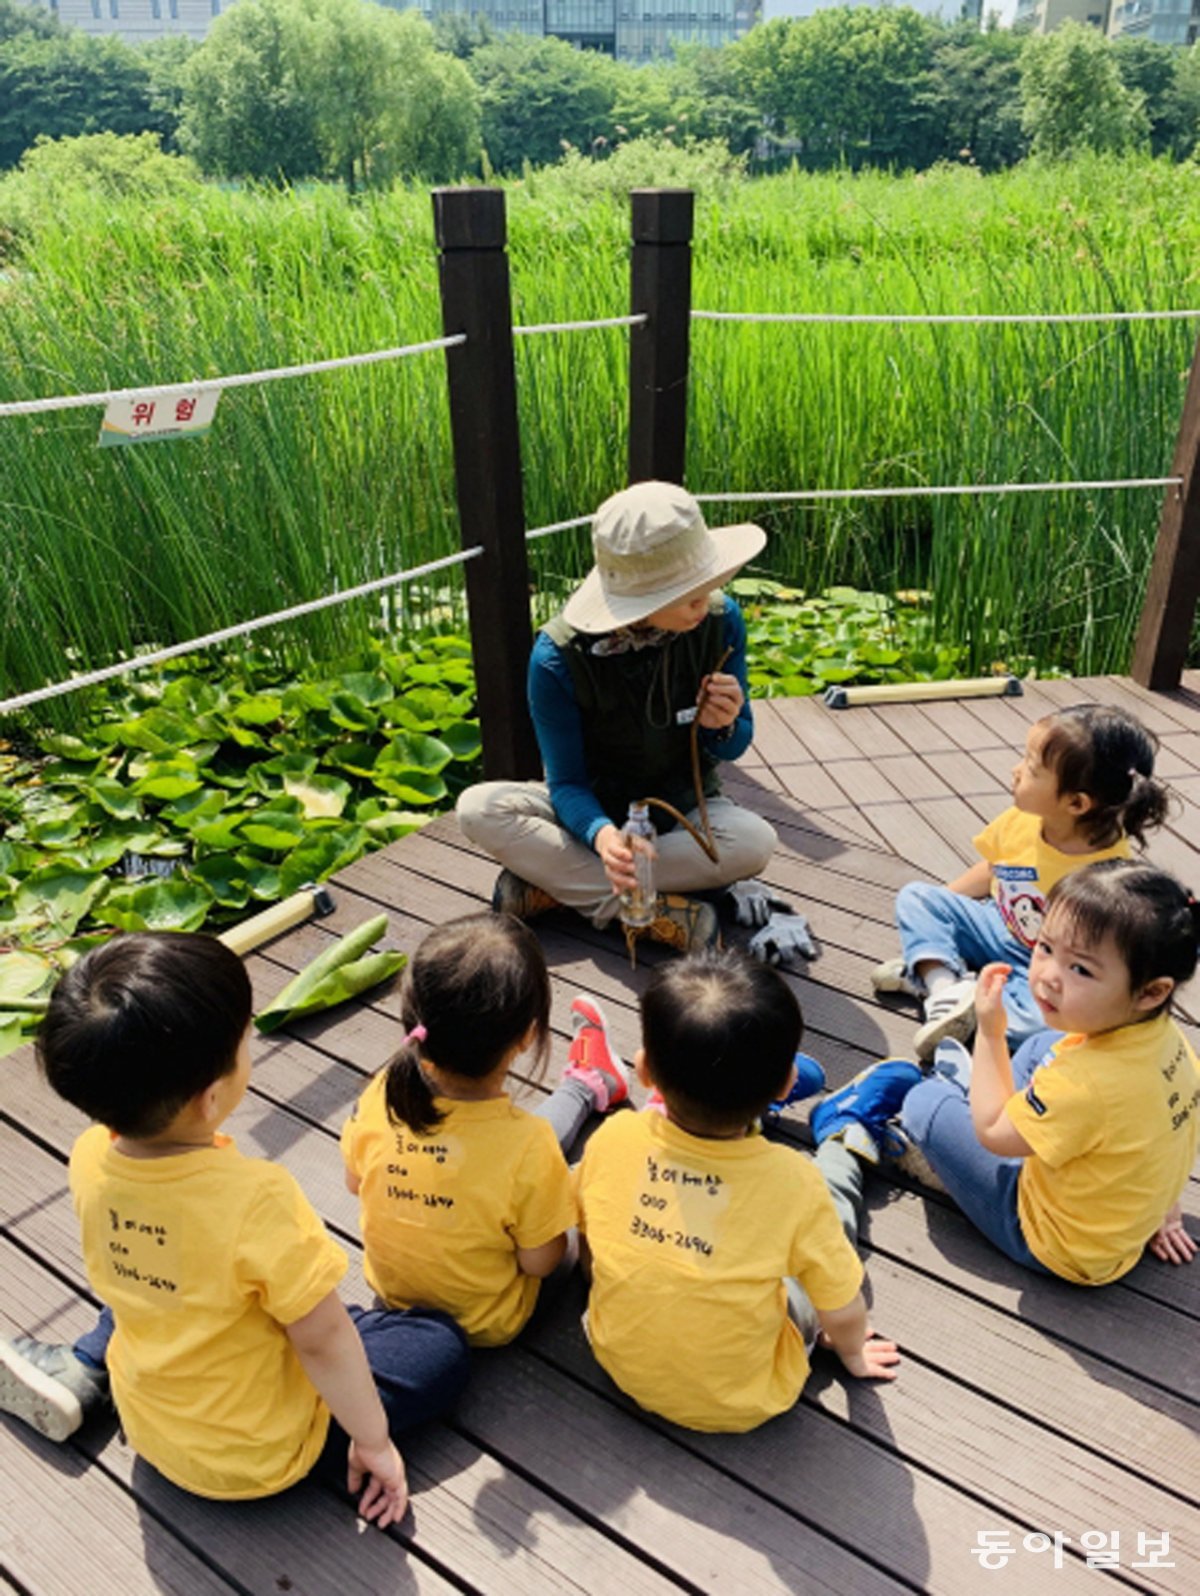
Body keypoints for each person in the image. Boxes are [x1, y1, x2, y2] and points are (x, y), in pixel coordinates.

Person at [0, 934, 469, 1527]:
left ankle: (86, 1365)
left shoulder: (90, 1155)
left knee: (150, 1270)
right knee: (438, 1345)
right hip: (259, 1454)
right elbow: (322, 1341)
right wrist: (373, 1443)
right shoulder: (256, 1200)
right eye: (245, 1039)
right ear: (212, 1096)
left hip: (154, 1426)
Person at [823, 861, 1199, 1286]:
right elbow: (1171, 1132)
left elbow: (993, 1135)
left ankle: (933, 1152)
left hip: (1049, 1239)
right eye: (1045, 947)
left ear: (1152, 991)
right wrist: (1164, 1212)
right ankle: (982, 1093)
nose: (1048, 977)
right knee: (1043, 1045)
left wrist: (990, 1032)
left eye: (1081, 969)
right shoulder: (1176, 1047)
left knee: (922, 1102)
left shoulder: (1084, 1083)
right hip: (1112, 1226)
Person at [573, 949, 899, 1433]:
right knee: (827, 1204)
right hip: (747, 1395)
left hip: (620, 1359)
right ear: (785, 1083)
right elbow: (842, 1302)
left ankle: (710, 1095)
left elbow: (588, 1239)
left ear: (644, 1071)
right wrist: (851, 1351)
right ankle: (842, 1134)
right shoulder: (792, 1182)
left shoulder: (614, 1139)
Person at [456, 480, 780, 956]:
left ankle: (555, 890)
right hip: (590, 816)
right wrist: (603, 837)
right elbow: (565, 783)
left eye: (706, 581)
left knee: (754, 843)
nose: (708, 597)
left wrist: (723, 725)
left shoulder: (721, 620)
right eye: (687, 592)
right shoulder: (557, 658)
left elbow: (732, 746)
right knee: (478, 809)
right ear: (641, 598)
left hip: (683, 813)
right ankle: (650, 908)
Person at [342, 913, 629, 1348]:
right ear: (528, 1035)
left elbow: (353, 1181)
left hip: (395, 1297)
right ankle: (588, 1085)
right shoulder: (526, 1144)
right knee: (562, 1195)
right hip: (489, 1321)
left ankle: (588, 1085)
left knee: (515, 1161)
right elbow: (540, 1263)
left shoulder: (382, 1090)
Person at [872, 703, 1170, 1060]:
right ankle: (944, 989)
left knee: (1036, 1027)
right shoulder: (1020, 821)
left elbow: (1094, 950)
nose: (1016, 771)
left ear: (1076, 802)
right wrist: (939, 911)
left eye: (1031, 768)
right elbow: (992, 869)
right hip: (996, 923)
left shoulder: (1106, 872)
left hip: (1046, 961)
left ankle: (938, 975)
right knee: (917, 898)